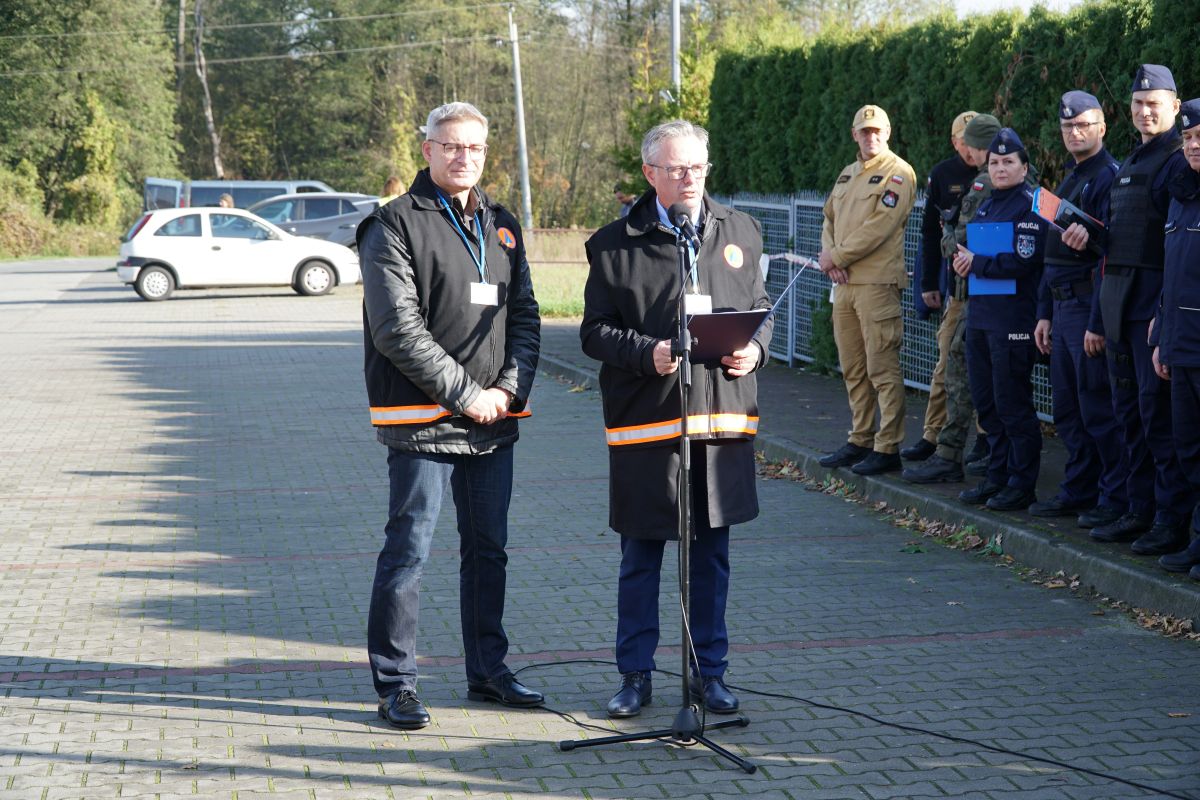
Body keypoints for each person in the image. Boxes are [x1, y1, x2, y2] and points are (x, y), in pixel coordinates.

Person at [357, 102, 542, 731]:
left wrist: (509, 389)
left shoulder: (503, 225)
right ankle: (397, 683)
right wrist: (466, 393)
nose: (465, 158)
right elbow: (396, 329)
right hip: (422, 420)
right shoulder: (392, 224)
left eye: (476, 149)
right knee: (408, 552)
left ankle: (488, 671)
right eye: (451, 146)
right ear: (428, 149)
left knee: (488, 550)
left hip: (494, 421)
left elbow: (525, 316)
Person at [581, 119, 771, 719]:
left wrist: (756, 348)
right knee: (642, 556)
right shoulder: (613, 244)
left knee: (712, 556)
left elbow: (759, 310)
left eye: (697, 166)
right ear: (650, 173)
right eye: (676, 168)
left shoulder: (740, 229)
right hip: (650, 424)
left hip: (720, 422)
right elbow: (592, 332)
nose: (689, 178)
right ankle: (635, 676)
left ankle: (708, 674)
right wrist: (648, 353)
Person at [1088, 64, 1193, 555]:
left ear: (1175, 106)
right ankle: (1139, 509)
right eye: (1137, 104)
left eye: (1154, 103)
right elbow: (1121, 240)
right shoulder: (1133, 160)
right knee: (1128, 414)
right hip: (1118, 304)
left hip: (1151, 308)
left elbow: (1175, 245)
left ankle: (1170, 520)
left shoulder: (1176, 160)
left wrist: (1162, 315)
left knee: (1158, 419)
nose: (1145, 111)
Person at [1029, 91, 1126, 526]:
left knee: (1098, 409)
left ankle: (1112, 497)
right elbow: (1053, 256)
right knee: (1069, 409)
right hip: (1063, 309)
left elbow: (1111, 255)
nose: (1074, 132)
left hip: (1088, 306)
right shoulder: (1071, 177)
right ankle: (1081, 488)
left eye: (1083, 125)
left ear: (1102, 128)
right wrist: (1045, 312)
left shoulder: (1107, 176)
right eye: (1067, 126)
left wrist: (1095, 322)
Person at [903, 113, 1004, 486]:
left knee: (958, 374)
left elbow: (957, 244)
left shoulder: (982, 185)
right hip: (991, 296)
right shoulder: (1020, 179)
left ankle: (951, 453)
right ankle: (987, 451)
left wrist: (950, 227)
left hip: (976, 297)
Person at [816, 104, 917, 475]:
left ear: (887, 133)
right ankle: (860, 439)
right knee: (853, 367)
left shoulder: (899, 172)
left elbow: (881, 226)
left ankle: (888, 445)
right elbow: (828, 217)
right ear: (854, 135)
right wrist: (832, 256)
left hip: (876, 283)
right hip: (844, 284)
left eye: (876, 131)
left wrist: (837, 257)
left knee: (881, 367)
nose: (870, 137)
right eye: (864, 131)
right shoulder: (847, 175)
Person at [953, 128, 1046, 511]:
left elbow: (1026, 261)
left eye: (1009, 161)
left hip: (1012, 321)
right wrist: (964, 263)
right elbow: (979, 259)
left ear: (1024, 167)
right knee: (988, 405)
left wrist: (979, 263)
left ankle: (1021, 484)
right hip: (981, 318)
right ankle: (997, 477)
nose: (1001, 168)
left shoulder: (1029, 204)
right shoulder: (990, 203)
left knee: (1013, 405)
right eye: (995, 162)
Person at [1150, 98, 1200, 580]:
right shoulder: (1181, 197)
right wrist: (1163, 334)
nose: (1193, 144)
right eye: (1187, 138)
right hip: (1181, 344)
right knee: (1188, 447)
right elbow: (1173, 276)